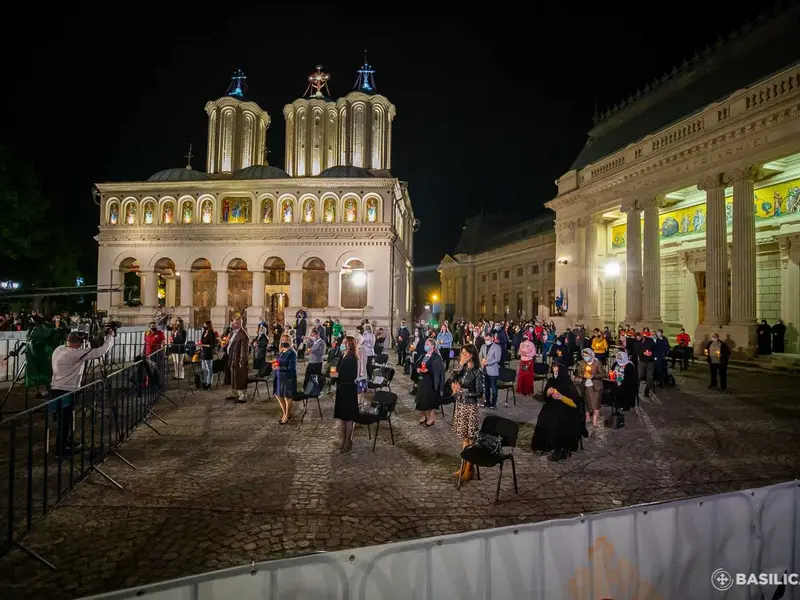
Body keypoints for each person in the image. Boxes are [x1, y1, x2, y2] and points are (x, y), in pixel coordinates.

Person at [50, 330, 115, 456]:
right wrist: (109, 337)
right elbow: (101, 351)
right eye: (81, 342)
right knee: (65, 420)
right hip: (65, 390)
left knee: (67, 419)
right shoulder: (73, 354)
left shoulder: (60, 349)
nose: (81, 345)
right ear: (78, 342)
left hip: (57, 388)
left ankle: (66, 441)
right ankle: (61, 449)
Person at [531, 362, 584, 462]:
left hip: (566, 408)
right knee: (543, 419)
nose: (555, 374)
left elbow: (574, 404)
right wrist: (548, 392)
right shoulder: (551, 381)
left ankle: (561, 448)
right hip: (552, 406)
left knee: (560, 421)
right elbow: (545, 397)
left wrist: (561, 397)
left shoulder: (569, 385)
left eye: (557, 372)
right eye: (554, 371)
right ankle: (544, 445)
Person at [449, 345, 484, 483]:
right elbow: (451, 379)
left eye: (464, 353)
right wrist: (459, 366)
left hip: (470, 407)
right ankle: (463, 465)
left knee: (470, 438)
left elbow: (479, 393)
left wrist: (461, 390)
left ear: (471, 355)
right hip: (461, 405)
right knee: (464, 438)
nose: (461, 355)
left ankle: (470, 468)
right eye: (461, 353)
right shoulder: (462, 369)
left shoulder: (477, 371)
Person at [334, 335, 359, 453]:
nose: (343, 344)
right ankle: (343, 438)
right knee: (342, 416)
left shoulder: (352, 357)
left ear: (350, 344)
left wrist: (339, 376)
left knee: (348, 417)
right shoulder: (342, 355)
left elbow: (352, 375)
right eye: (343, 342)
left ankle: (348, 440)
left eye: (345, 342)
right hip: (341, 388)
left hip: (348, 388)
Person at [415, 337, 445, 427]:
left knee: (429, 401)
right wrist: (418, 369)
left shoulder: (437, 357)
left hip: (431, 381)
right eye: (426, 344)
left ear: (433, 346)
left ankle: (431, 418)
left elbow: (438, 371)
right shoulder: (423, 355)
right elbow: (417, 364)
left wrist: (428, 370)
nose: (426, 346)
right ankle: (423, 416)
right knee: (421, 399)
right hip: (422, 379)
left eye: (427, 344)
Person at [577, 348, 605, 427]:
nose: (586, 357)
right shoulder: (582, 363)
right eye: (584, 355)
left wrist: (593, 376)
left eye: (587, 355)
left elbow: (603, 374)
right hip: (586, 385)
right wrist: (583, 375)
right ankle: (587, 417)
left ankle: (595, 420)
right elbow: (578, 372)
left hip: (596, 386)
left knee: (596, 403)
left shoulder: (597, 363)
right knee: (587, 402)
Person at [274, 334, 298, 422]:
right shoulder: (282, 351)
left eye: (286, 340)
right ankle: (285, 413)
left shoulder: (292, 352)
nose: (284, 341)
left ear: (290, 342)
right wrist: (275, 364)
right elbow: (278, 362)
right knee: (278, 395)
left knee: (287, 397)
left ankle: (287, 416)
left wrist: (279, 368)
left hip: (288, 378)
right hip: (279, 376)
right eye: (283, 340)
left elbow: (291, 367)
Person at [227, 317, 250, 403]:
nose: (233, 325)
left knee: (240, 378)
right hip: (232, 358)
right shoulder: (233, 333)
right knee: (234, 377)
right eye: (233, 323)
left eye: (235, 323)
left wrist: (242, 361)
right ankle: (235, 394)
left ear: (240, 324)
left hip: (239, 360)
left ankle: (242, 396)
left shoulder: (243, 335)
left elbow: (244, 350)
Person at [479, 331, 502, 408]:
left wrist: (488, 363)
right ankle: (487, 402)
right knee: (486, 388)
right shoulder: (483, 346)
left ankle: (493, 403)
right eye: (485, 339)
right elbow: (480, 355)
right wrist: (481, 361)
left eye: (488, 339)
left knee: (494, 388)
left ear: (492, 338)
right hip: (484, 370)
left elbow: (497, 359)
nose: (487, 341)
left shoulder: (497, 347)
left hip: (493, 371)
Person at [635, 329, 656, 397]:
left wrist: (651, 353)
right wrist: (643, 353)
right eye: (637, 338)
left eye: (639, 337)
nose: (639, 339)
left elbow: (654, 348)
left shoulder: (650, 340)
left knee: (649, 377)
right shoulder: (637, 342)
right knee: (639, 376)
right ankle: (636, 391)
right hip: (642, 361)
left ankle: (646, 392)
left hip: (650, 362)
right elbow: (636, 351)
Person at [199, 320, 217, 390]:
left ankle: (209, 383)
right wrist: (201, 345)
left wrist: (203, 344)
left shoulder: (211, 333)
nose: (204, 326)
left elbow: (211, 345)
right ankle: (204, 382)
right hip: (203, 353)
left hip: (208, 353)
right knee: (204, 369)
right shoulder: (204, 332)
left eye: (205, 325)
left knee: (209, 369)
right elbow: (202, 340)